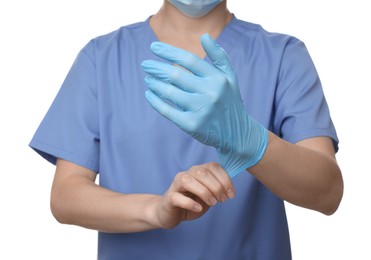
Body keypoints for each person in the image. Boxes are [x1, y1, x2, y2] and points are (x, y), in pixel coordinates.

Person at [29, 0, 343, 259]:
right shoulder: (101, 59)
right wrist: (155, 210)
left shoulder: (283, 57)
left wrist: (252, 142)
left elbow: (327, 192)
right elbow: (66, 195)